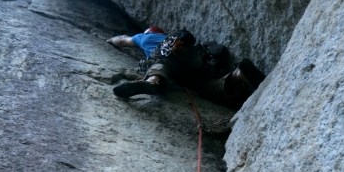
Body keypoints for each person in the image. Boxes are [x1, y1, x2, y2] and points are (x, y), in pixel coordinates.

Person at [108, 27, 265, 111]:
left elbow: (122, 40)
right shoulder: (175, 38)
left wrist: (111, 40)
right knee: (204, 85)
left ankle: (153, 81)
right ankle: (237, 75)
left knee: (161, 65)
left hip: (172, 58)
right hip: (197, 60)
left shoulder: (145, 37)